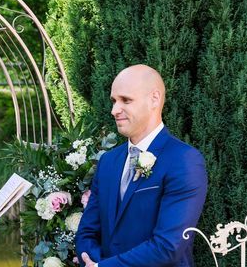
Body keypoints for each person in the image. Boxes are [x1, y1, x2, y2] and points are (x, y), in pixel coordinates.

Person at [76, 65, 208, 267]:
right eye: (113, 101)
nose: (114, 110)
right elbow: (87, 232)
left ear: (154, 99)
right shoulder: (108, 162)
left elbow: (168, 246)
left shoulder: (184, 160)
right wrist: (93, 262)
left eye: (126, 100)